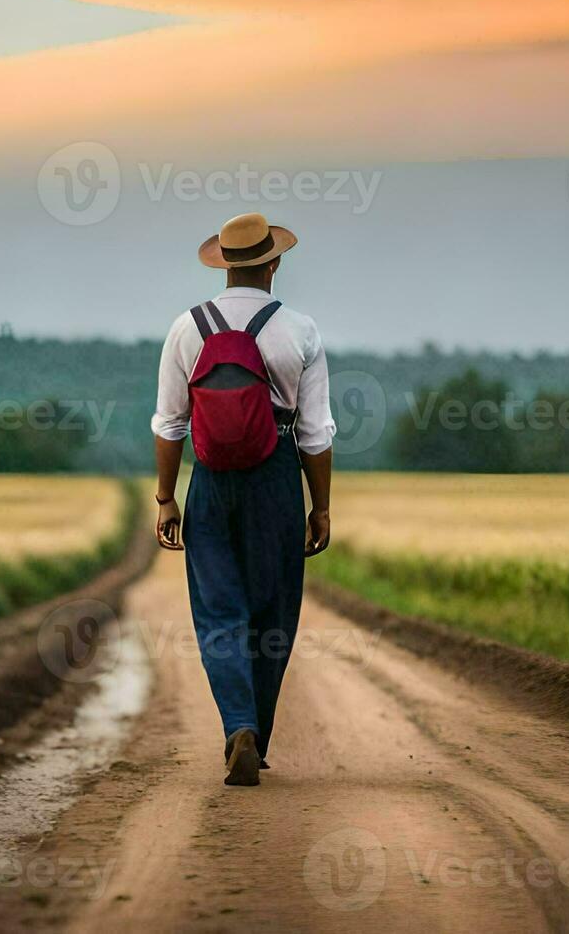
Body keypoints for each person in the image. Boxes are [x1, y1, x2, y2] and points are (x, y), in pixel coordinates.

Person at [150, 212, 335, 787]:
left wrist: (165, 498)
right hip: (277, 478)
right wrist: (319, 506)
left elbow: (169, 423)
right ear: (274, 261)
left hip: (210, 481)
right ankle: (257, 729)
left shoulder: (186, 327)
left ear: (224, 266)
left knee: (218, 611)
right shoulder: (300, 330)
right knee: (272, 612)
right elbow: (316, 432)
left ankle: (238, 727)